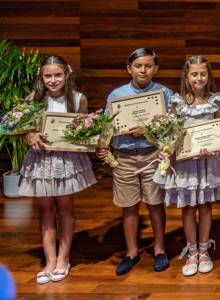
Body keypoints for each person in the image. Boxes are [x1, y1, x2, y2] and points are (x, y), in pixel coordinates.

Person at [97, 48, 174, 276]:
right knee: (129, 205)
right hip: (125, 156)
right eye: (138, 66)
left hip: (154, 155)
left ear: (155, 69)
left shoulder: (164, 93)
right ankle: (132, 251)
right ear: (129, 68)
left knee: (155, 203)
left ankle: (160, 248)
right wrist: (102, 147)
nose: (143, 70)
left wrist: (148, 130)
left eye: (148, 65)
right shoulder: (116, 95)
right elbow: (106, 126)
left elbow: (172, 127)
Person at [21, 55, 96, 283]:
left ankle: (63, 259)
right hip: (42, 161)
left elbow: (84, 131)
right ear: (41, 77)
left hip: (67, 161)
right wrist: (30, 134)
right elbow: (24, 129)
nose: (53, 80)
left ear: (66, 74)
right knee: (45, 211)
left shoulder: (77, 99)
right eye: (48, 76)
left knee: (65, 209)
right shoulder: (33, 98)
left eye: (57, 75)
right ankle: (49, 261)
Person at [156, 55, 220, 276]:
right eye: (194, 74)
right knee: (188, 207)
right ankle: (191, 251)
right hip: (186, 164)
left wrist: (216, 148)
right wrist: (174, 149)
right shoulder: (178, 102)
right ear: (186, 76)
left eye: (203, 73)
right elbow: (171, 132)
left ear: (208, 75)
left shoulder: (217, 100)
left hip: (208, 161)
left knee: (206, 206)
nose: (199, 78)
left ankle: (204, 249)